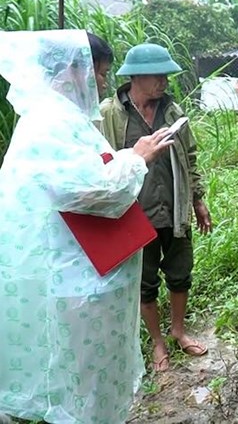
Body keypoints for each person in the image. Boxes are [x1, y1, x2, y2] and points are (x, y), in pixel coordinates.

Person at [0, 30, 172, 423]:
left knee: (88, 374)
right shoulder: (49, 122)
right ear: (71, 70)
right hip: (77, 275)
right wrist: (137, 158)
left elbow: (87, 173)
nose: (102, 82)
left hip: (87, 267)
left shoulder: (59, 117)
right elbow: (89, 190)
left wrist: (126, 157)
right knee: (84, 378)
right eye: (99, 73)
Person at [100, 43, 212, 373]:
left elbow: (189, 158)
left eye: (166, 75)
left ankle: (178, 331)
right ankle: (158, 343)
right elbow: (103, 161)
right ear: (136, 77)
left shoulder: (173, 112)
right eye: (157, 76)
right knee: (144, 280)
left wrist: (198, 199)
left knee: (180, 273)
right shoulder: (111, 114)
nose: (164, 81)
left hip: (174, 207)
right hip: (135, 213)